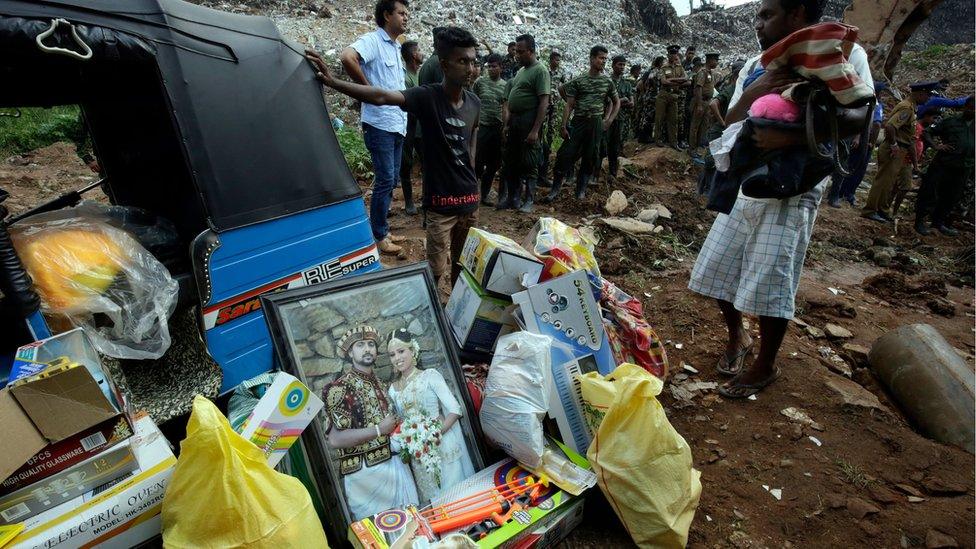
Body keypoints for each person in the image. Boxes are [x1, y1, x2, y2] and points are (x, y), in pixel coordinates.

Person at [688, 0, 874, 398]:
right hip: (745, 181)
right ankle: (737, 336)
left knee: (773, 276)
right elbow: (734, 118)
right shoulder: (757, 64)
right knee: (719, 267)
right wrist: (753, 92)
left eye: (767, 14)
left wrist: (789, 138)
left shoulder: (840, 50)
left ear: (796, 14)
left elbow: (861, 114)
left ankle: (766, 364)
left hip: (795, 186)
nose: (758, 24)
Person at [308, 27, 482, 286]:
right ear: (445, 65)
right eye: (462, 61)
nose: (470, 68)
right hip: (441, 207)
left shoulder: (474, 103)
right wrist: (334, 83)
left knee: (463, 268)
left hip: (470, 203)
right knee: (435, 271)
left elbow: (471, 152)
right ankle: (434, 317)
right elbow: (380, 96)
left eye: (473, 61)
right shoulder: (427, 97)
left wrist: (476, 191)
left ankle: (456, 318)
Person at [320, 325, 419, 520]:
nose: (367, 349)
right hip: (365, 476)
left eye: (371, 345)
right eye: (360, 345)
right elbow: (336, 440)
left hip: (394, 464)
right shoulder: (339, 388)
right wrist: (378, 430)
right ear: (350, 352)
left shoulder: (381, 385)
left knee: (410, 525)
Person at [340, 0, 411, 255]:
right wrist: (367, 91)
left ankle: (381, 228)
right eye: (401, 13)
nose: (406, 17)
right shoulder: (372, 41)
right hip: (379, 124)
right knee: (385, 181)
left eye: (407, 13)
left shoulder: (395, 47)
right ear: (386, 15)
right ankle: (378, 236)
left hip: (396, 124)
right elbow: (347, 57)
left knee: (390, 180)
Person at [386, 328, 475, 502]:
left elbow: (455, 409)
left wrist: (435, 433)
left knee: (456, 500)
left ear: (413, 350)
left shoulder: (430, 376)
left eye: (401, 351)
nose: (397, 358)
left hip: (442, 447)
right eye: (392, 354)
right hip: (418, 455)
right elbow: (402, 422)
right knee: (435, 503)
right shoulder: (393, 389)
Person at [540, 45, 620, 203]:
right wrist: (563, 125)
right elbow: (568, 102)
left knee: (590, 157)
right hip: (578, 122)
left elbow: (616, 102)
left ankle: (580, 192)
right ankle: (555, 190)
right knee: (564, 154)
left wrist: (608, 120)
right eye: (600, 58)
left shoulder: (607, 82)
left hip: (596, 122)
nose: (603, 61)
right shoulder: (579, 80)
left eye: (605, 58)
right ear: (591, 59)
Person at [862, 81, 935, 223]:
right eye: (927, 96)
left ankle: (882, 210)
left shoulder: (912, 108)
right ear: (920, 94)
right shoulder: (907, 108)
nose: (927, 100)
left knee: (889, 183)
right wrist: (894, 144)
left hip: (901, 149)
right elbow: (890, 126)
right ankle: (870, 210)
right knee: (882, 181)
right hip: (894, 149)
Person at [498, 34, 551, 212]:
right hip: (515, 121)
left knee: (529, 162)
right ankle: (513, 199)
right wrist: (507, 124)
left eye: (521, 52)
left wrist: (535, 130)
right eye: (517, 52)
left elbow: (544, 102)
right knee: (511, 161)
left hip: (529, 120)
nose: (517, 55)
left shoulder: (540, 70)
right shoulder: (521, 71)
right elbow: (512, 100)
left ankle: (529, 200)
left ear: (531, 51)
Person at [915, 96, 974, 236]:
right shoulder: (951, 121)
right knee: (930, 191)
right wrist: (936, 146)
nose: (973, 111)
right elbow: (927, 132)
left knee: (952, 196)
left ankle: (938, 222)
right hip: (943, 164)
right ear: (965, 107)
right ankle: (919, 221)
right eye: (970, 108)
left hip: (964, 167)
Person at [827, 82, 885, 207]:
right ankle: (835, 195)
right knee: (842, 164)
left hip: (847, 133)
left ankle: (835, 194)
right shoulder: (868, 101)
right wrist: (863, 139)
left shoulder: (866, 100)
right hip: (850, 134)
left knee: (842, 163)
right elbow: (873, 123)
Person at [473, 53, 507, 206]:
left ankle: (485, 194)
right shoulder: (480, 82)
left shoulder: (505, 86)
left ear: (501, 68)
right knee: (477, 162)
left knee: (494, 164)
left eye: (495, 66)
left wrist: (505, 127)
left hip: (497, 129)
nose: (492, 69)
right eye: (490, 66)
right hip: (482, 127)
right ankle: (472, 194)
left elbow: (506, 108)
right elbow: (472, 102)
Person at [538, 49, 571, 190]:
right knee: (540, 134)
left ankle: (543, 173)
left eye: (559, 60)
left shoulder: (561, 73)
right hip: (543, 106)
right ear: (550, 60)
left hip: (554, 107)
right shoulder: (544, 71)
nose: (557, 62)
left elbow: (565, 87)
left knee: (549, 136)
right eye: (555, 60)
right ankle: (537, 174)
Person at [399, 40, 422, 215]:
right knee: (405, 164)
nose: (422, 53)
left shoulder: (420, 76)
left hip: (421, 127)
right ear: (414, 55)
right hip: (408, 126)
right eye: (419, 50)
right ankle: (408, 202)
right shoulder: (405, 77)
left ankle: (426, 199)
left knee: (427, 162)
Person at [602, 55, 634, 178]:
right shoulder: (607, 81)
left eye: (623, 65)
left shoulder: (627, 84)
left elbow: (631, 103)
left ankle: (612, 174)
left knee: (615, 148)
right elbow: (605, 100)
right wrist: (621, 101)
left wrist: (618, 102)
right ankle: (595, 173)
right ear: (613, 65)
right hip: (607, 118)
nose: (622, 67)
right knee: (603, 146)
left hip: (620, 119)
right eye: (619, 64)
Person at [654, 45, 688, 149]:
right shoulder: (664, 68)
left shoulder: (680, 67)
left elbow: (686, 78)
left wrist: (672, 80)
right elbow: (664, 81)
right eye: (671, 54)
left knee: (673, 120)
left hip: (674, 96)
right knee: (659, 118)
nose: (673, 56)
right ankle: (658, 140)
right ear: (668, 55)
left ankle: (673, 142)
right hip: (664, 95)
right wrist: (678, 80)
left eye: (675, 54)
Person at [688, 52, 719, 158]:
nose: (717, 63)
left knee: (704, 126)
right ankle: (692, 149)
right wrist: (699, 105)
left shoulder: (709, 72)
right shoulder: (702, 72)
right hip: (701, 102)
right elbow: (698, 88)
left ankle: (698, 147)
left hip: (707, 102)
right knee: (695, 126)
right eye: (715, 60)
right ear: (710, 60)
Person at [635, 56, 665, 143]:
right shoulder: (653, 72)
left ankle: (646, 136)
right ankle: (643, 137)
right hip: (651, 99)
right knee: (647, 118)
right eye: (664, 62)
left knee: (650, 118)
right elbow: (640, 85)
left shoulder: (658, 72)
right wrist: (645, 93)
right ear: (660, 63)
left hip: (654, 98)